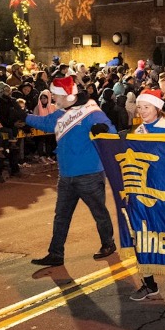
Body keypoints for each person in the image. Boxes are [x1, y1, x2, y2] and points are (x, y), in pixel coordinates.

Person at [27, 76, 118, 266]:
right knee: (61, 216)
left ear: (67, 96)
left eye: (55, 95)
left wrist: (103, 130)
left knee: (99, 212)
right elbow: (45, 124)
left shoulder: (91, 111)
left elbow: (111, 132)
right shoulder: (62, 112)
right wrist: (22, 116)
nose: (52, 99)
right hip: (66, 175)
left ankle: (108, 244)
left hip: (89, 174)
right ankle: (56, 253)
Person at [130, 90, 165, 301]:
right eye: (140, 107)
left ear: (157, 108)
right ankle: (149, 282)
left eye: (147, 107)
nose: (142, 111)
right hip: (145, 193)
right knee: (142, 235)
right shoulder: (139, 131)